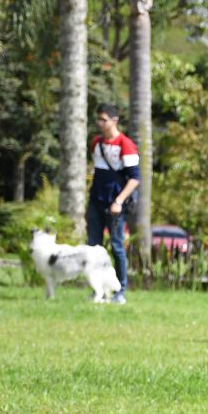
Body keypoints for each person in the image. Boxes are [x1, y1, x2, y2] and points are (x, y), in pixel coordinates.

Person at [87, 103, 140, 305]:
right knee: (93, 246)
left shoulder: (125, 145)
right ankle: (97, 290)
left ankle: (120, 290)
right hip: (96, 200)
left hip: (115, 203)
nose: (100, 123)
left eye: (104, 120)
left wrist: (118, 201)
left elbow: (134, 179)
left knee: (117, 247)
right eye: (98, 119)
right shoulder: (96, 143)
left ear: (114, 121)